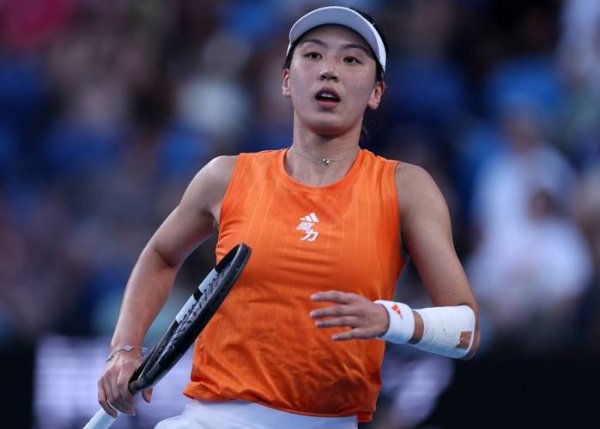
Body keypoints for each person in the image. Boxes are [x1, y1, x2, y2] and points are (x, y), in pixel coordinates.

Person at [97, 6, 479, 429]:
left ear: (376, 92)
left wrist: (391, 319)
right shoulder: (225, 177)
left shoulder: (406, 188)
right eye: (313, 55)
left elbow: (466, 330)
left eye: (352, 59)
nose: (329, 70)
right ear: (285, 80)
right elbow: (161, 256)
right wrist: (124, 348)